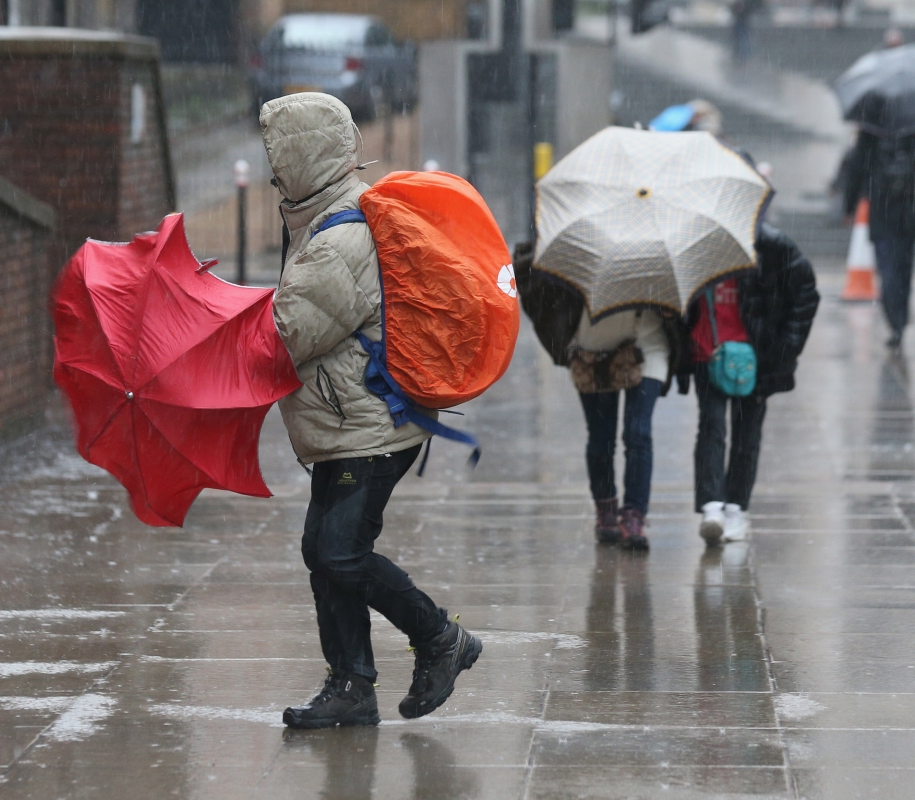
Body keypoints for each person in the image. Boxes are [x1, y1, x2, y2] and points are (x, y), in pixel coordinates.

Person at [264, 93, 481, 730]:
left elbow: (288, 334)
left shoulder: (340, 237)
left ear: (305, 156)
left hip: (371, 425)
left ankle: (440, 638)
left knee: (339, 553)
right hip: (348, 422)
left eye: (279, 158)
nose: (273, 172)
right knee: (324, 548)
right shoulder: (323, 219)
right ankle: (351, 686)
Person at [513, 243, 684, 551]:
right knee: (601, 438)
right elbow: (526, 266)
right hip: (593, 346)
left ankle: (634, 514)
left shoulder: (661, 239)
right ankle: (606, 509)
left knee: (638, 432)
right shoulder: (580, 234)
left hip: (647, 343)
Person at [682, 225, 819, 545]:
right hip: (707, 354)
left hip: (754, 358)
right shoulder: (692, 248)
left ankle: (736, 508)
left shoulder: (772, 247)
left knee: (747, 433)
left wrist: (783, 350)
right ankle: (712, 506)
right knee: (712, 426)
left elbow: (805, 294)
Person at [843, 124, 915, 348]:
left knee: (887, 270)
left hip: (882, 211)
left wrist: (849, 207)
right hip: (909, 212)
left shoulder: (870, 131)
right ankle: (901, 320)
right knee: (904, 269)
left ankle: (895, 321)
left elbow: (857, 169)